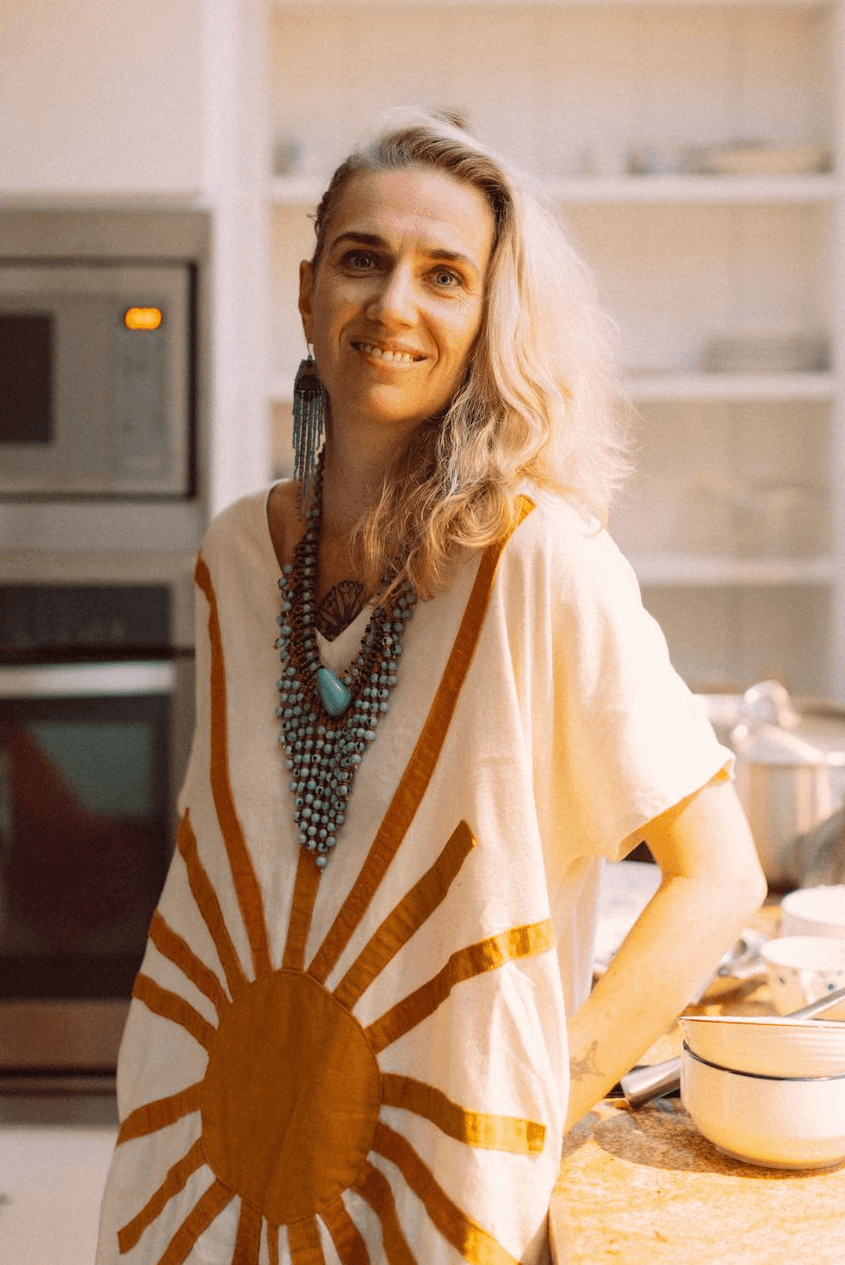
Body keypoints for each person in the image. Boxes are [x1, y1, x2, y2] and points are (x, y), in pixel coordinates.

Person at [96, 111, 766, 1265]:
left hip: (438, 1186)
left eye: (443, 274)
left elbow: (717, 874)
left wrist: (544, 1097)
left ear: (485, 318)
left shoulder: (538, 560)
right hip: (203, 1165)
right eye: (362, 258)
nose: (393, 302)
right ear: (308, 289)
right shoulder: (234, 557)